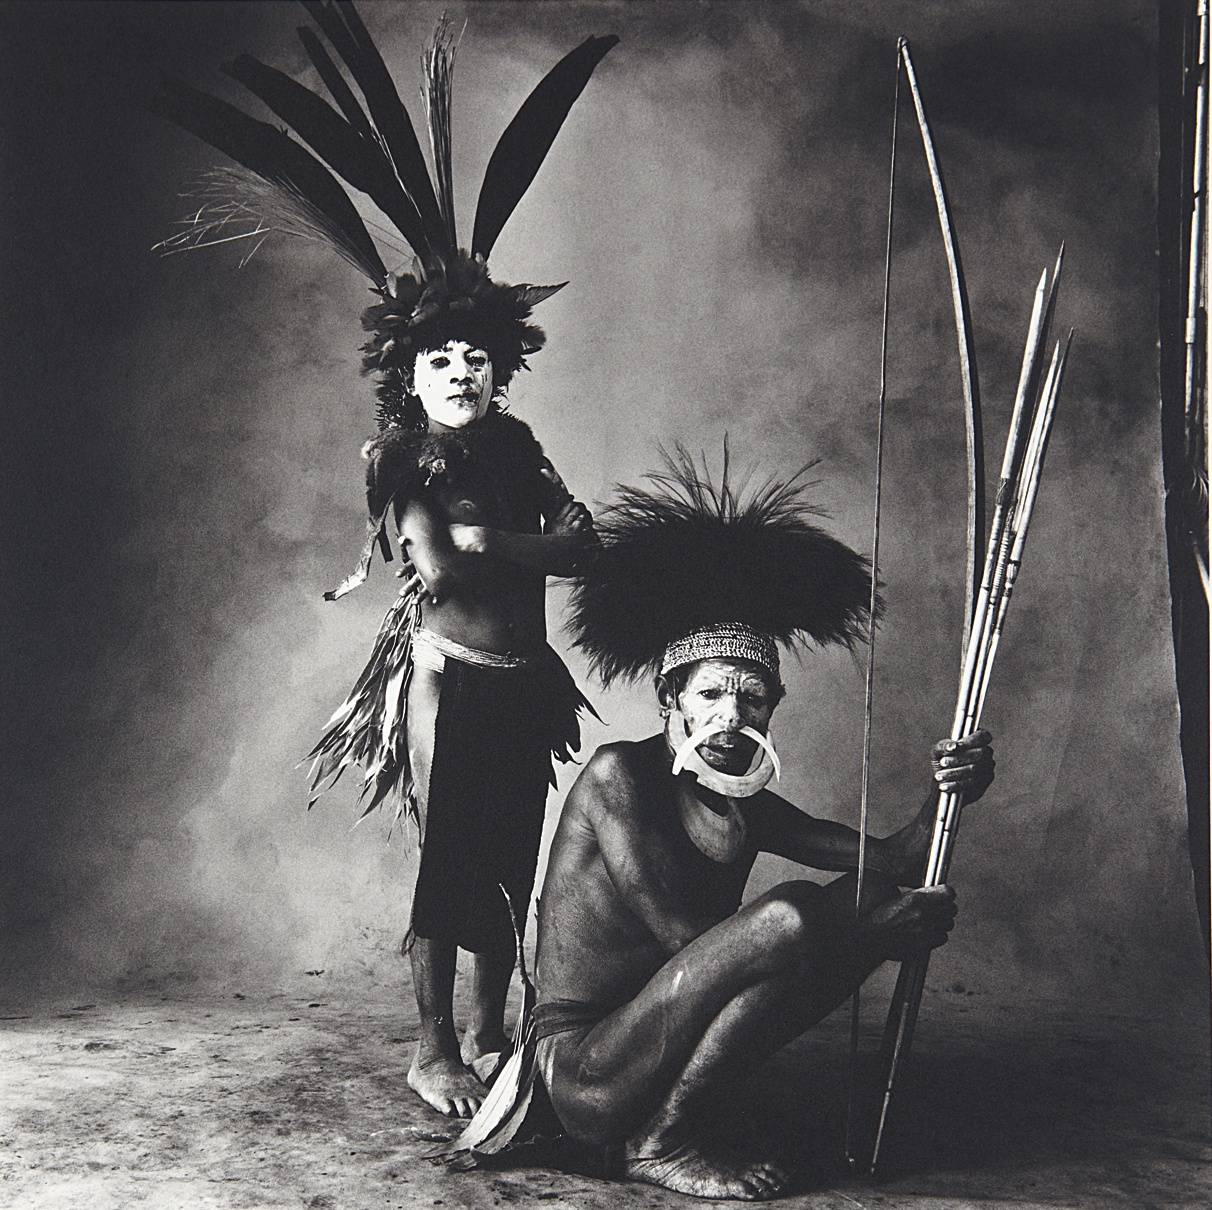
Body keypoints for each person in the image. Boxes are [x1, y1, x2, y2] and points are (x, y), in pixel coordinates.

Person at [149, 5, 616, 1118]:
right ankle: (432, 1045)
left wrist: (516, 540)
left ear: (502, 372)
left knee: (512, 866)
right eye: (439, 357)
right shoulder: (400, 458)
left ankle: (498, 1030)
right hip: (449, 684)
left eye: (475, 358)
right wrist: (522, 544)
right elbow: (443, 567)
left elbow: (586, 544)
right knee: (453, 872)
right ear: (407, 372)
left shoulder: (514, 447)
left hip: (524, 689)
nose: (458, 371)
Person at [531, 450, 995, 1199]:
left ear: (772, 708)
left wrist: (954, 792)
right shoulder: (620, 777)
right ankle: (661, 1140)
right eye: (711, 693)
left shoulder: (740, 797)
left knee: (858, 896)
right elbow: (691, 943)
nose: (731, 716)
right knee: (794, 916)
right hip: (589, 1073)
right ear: (669, 699)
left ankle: (675, 1120)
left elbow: (893, 859)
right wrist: (875, 941)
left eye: (751, 699)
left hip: (659, 1048)